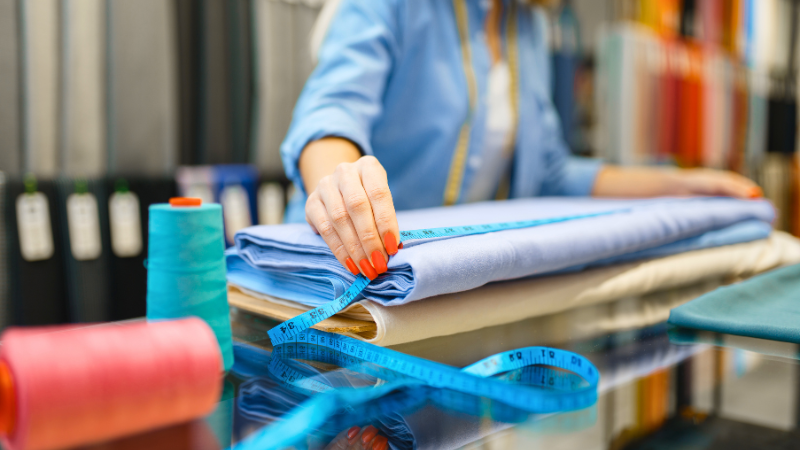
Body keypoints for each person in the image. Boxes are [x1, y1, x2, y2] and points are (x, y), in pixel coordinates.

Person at [280, 0, 761, 281]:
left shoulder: (527, 26)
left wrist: (682, 185)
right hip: (347, 270)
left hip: (436, 281)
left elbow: (551, 170)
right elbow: (332, 112)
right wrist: (338, 182)